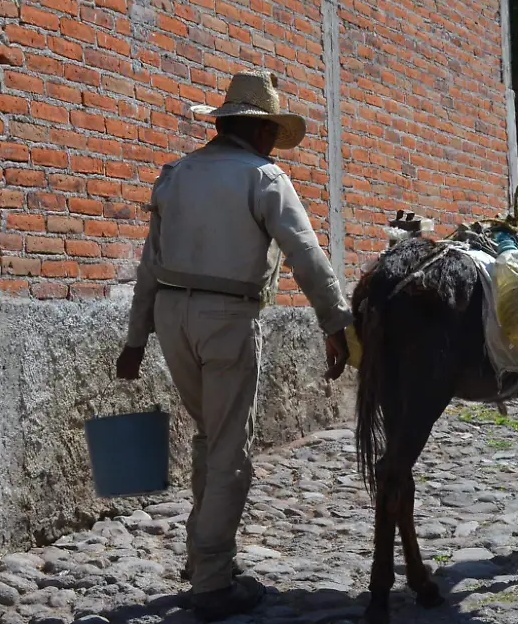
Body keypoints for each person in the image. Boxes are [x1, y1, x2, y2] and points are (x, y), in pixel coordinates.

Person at [114, 69, 351, 622]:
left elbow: (151, 261)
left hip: (173, 317)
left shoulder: (176, 175)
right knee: (228, 448)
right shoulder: (265, 178)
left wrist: (135, 338)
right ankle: (214, 581)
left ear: (224, 125)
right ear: (263, 131)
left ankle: (203, 559)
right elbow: (306, 255)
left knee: (210, 436)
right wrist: (336, 322)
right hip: (228, 318)